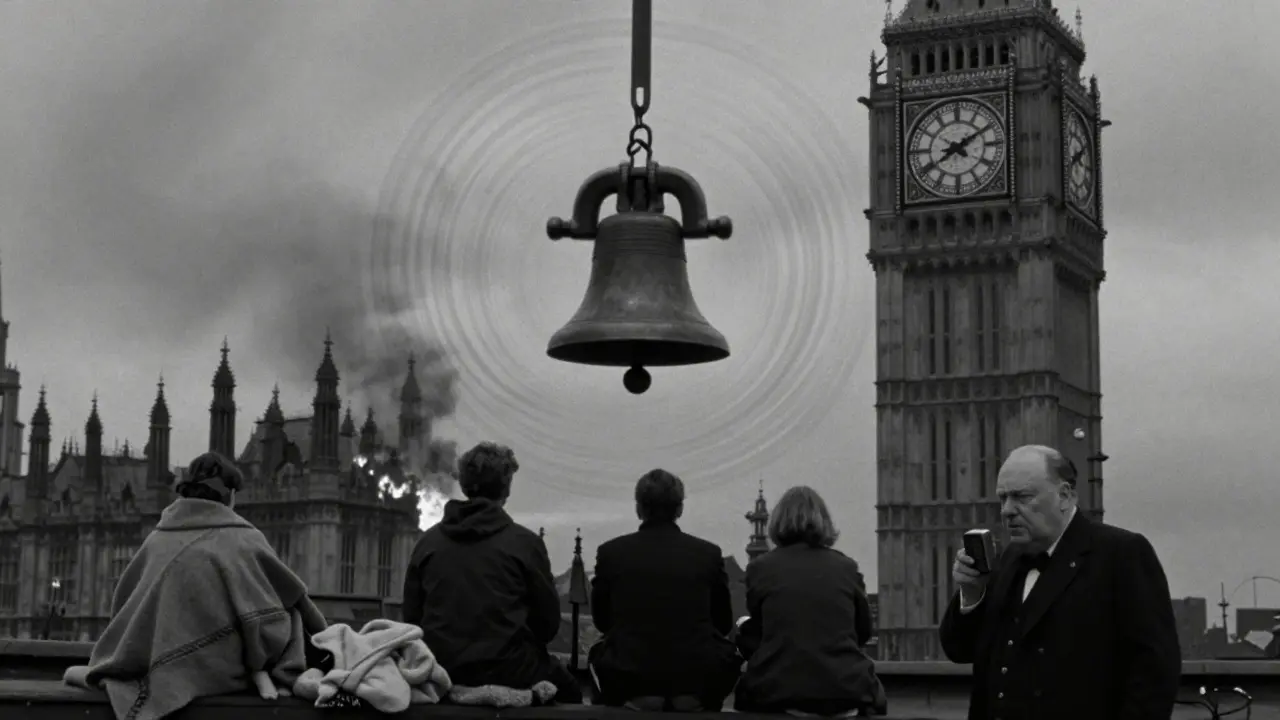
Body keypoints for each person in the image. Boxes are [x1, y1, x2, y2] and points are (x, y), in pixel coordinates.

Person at [63, 452, 327, 720]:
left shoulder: (157, 538)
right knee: (289, 612)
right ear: (229, 495)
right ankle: (287, 675)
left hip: (154, 660)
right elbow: (282, 602)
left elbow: (124, 602)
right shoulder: (244, 538)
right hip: (219, 668)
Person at [940, 445, 1182, 720]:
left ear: (1064, 496)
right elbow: (958, 650)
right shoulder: (1006, 559)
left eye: (1021, 496)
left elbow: (1154, 674)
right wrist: (971, 594)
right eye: (1003, 498)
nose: (1007, 510)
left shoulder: (1121, 553)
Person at [402, 442, 581, 703]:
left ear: (464, 484)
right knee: (572, 692)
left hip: (442, 671)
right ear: (506, 488)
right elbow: (548, 627)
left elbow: (412, 621)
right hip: (512, 671)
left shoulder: (428, 544)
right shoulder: (525, 544)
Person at [588, 469, 742, 711]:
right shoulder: (708, 554)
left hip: (631, 679)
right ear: (679, 509)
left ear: (639, 509)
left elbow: (602, 621)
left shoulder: (611, 553)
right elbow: (722, 623)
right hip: (695, 681)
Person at [734, 485, 887, 717]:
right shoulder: (846, 567)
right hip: (844, 693)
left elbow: (761, 634)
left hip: (780, 694)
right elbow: (863, 632)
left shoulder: (761, 568)